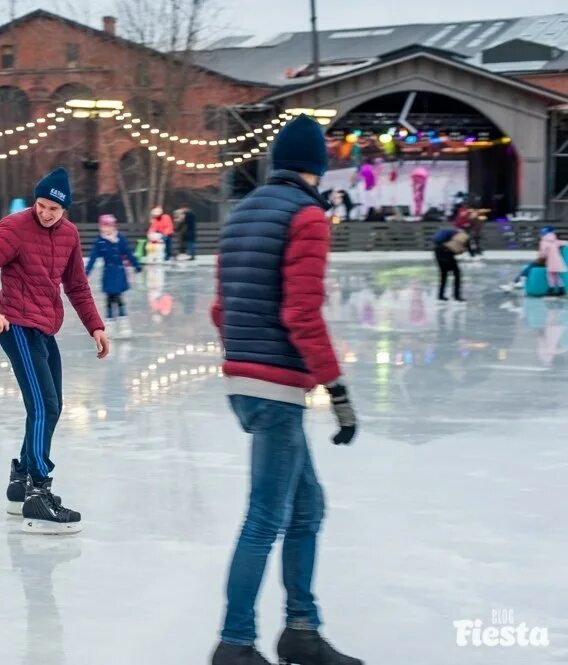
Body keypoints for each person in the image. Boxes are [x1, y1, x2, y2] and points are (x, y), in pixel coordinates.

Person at [210, 114, 362, 665]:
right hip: (275, 386)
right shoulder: (307, 215)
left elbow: (220, 309)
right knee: (266, 517)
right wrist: (337, 393)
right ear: (316, 168)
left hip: (244, 379)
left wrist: (244, 361)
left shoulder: (240, 214)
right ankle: (235, 642)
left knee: (307, 509)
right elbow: (302, 312)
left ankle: (301, 629)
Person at [0, 167, 109, 534]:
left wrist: (96, 326)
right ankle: (38, 493)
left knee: (53, 405)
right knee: (43, 406)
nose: (45, 213)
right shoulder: (15, 227)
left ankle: (21, 478)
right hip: (16, 326)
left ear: (65, 210)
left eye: (53, 210)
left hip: (46, 328)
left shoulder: (70, 235)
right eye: (41, 206)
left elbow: (77, 286)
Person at [85, 214, 142, 338]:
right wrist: (86, 273)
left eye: (109, 226)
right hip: (109, 273)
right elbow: (93, 258)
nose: (106, 229)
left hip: (120, 272)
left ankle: (123, 324)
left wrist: (137, 266)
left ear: (113, 226)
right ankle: (110, 325)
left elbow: (128, 253)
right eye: (104, 227)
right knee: (110, 299)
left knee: (118, 298)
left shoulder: (120, 239)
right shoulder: (100, 241)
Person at [431, 225, 469, 302]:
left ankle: (441, 295)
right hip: (446, 253)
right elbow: (457, 249)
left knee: (443, 274)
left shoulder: (449, 233)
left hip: (437, 252)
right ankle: (457, 296)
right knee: (457, 274)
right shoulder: (462, 235)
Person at [538, 226, 568, 296]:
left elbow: (543, 252)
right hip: (558, 261)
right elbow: (564, 242)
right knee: (557, 275)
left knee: (550, 275)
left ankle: (551, 289)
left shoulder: (543, 242)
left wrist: (541, 257)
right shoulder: (555, 241)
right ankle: (561, 289)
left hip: (550, 261)